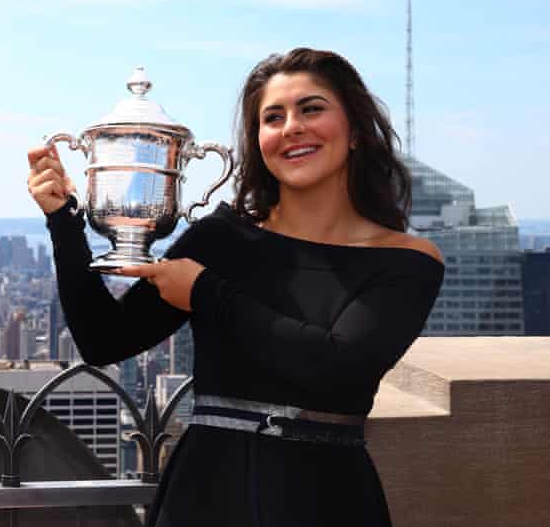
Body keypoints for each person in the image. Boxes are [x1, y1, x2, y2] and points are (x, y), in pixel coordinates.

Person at [27, 48, 444, 526]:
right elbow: (104, 340)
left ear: (354, 130)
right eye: (273, 117)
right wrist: (64, 220)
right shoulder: (220, 238)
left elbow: (339, 369)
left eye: (312, 109)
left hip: (327, 501)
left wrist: (204, 293)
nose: (291, 127)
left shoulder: (405, 261)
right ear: (258, 141)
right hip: (203, 497)